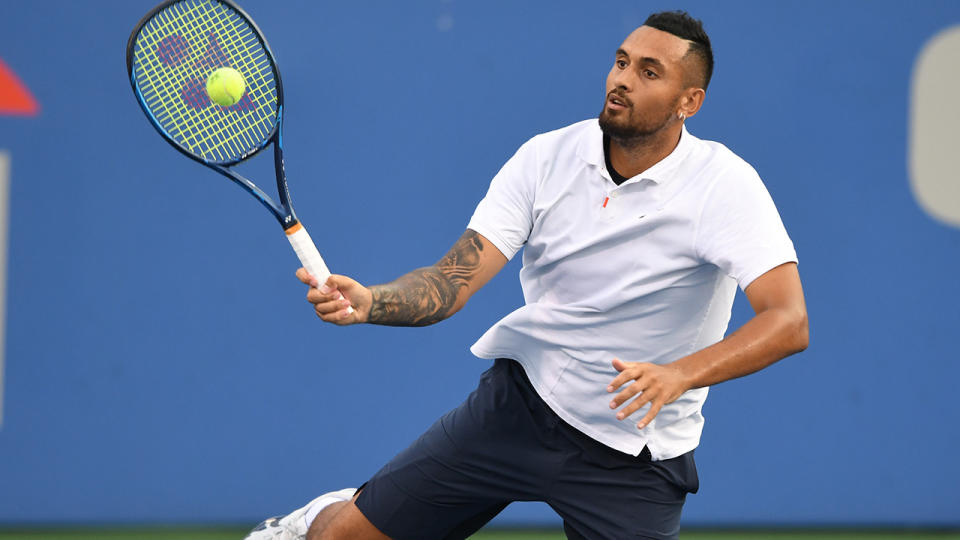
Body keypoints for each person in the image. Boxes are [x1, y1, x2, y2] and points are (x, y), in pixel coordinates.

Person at [246, 10, 808, 540]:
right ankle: (314, 518)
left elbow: (788, 321)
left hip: (635, 450)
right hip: (524, 405)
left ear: (690, 101)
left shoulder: (725, 187)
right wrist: (372, 300)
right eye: (621, 61)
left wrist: (678, 375)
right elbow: (452, 281)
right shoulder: (546, 159)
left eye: (649, 71)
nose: (623, 79)